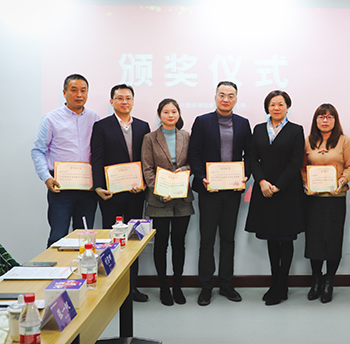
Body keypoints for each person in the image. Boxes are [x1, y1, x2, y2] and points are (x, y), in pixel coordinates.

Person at [188, 81, 251, 306]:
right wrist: (200, 177)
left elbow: (249, 155)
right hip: (209, 190)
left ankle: (226, 284)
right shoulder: (202, 121)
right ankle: (206, 287)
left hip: (232, 190)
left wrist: (245, 176)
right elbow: (194, 153)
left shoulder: (243, 123)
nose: (226, 99)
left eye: (231, 95)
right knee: (207, 240)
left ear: (236, 99)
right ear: (215, 97)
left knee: (228, 239)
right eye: (222, 94)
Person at [90, 84, 151, 302]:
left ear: (133, 101)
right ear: (112, 101)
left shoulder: (143, 126)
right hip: (111, 195)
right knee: (111, 243)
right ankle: (112, 290)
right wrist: (98, 187)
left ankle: (132, 287)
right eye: (119, 98)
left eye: (128, 98)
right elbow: (97, 158)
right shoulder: (101, 126)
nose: (124, 102)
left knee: (133, 241)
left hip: (135, 194)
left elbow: (146, 160)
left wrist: (144, 183)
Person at [245, 90, 305, 306]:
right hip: (264, 191)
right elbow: (252, 158)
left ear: (287, 107)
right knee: (271, 239)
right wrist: (262, 181)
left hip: (287, 192)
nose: (276, 108)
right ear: (267, 108)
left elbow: (296, 162)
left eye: (281, 104)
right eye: (272, 104)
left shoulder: (296, 130)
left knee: (286, 239)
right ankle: (274, 284)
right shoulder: (259, 129)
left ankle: (282, 285)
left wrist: (278, 185)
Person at [31, 74, 101, 247]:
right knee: (58, 236)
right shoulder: (51, 119)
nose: (79, 95)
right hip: (60, 187)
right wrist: (46, 178)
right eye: (74, 90)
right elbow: (38, 150)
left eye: (83, 90)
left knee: (84, 237)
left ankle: (83, 266)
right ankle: (54, 267)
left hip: (87, 188)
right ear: (64, 92)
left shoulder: (95, 118)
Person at [141, 98, 194, 306]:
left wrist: (185, 170)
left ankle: (177, 287)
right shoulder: (150, 138)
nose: (170, 115)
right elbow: (147, 168)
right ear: (159, 115)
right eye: (166, 112)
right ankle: (164, 287)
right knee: (161, 244)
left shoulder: (186, 136)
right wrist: (160, 190)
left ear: (178, 114)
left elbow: (191, 163)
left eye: (174, 111)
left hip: (182, 198)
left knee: (179, 243)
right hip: (159, 200)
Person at [302, 103, 350, 304]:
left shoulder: (344, 141)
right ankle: (316, 280)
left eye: (329, 117)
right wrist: (306, 183)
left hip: (336, 197)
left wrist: (342, 180)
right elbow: (303, 167)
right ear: (315, 120)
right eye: (321, 117)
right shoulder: (308, 141)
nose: (325, 120)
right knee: (314, 240)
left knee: (333, 240)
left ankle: (329, 281)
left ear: (335, 120)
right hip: (313, 199)